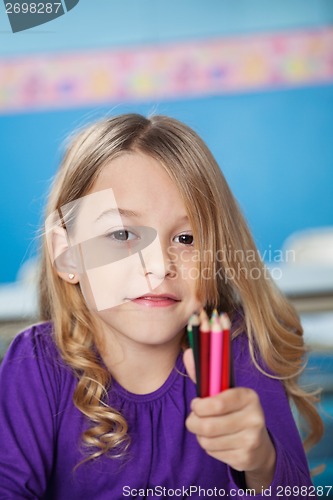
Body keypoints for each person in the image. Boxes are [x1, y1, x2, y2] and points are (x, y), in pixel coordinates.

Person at [0, 114, 323, 499]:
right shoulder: (35, 363)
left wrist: (261, 461)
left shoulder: (239, 348)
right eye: (122, 234)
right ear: (68, 255)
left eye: (186, 238)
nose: (157, 265)